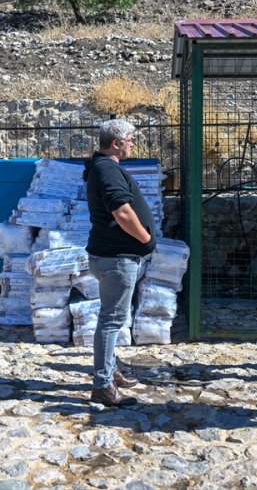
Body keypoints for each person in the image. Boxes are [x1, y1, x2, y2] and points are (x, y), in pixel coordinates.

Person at [84, 119, 157, 407]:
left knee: (111, 318)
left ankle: (110, 371)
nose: (133, 143)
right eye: (130, 139)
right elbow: (122, 212)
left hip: (111, 256)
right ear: (116, 143)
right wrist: (145, 240)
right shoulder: (107, 169)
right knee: (111, 320)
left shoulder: (102, 168)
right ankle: (102, 385)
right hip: (117, 258)